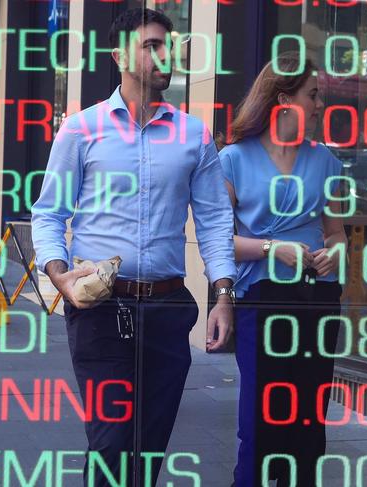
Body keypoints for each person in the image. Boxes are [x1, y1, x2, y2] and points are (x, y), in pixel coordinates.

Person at [31, 8, 236, 486]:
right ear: (119, 54)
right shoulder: (81, 129)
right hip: (100, 309)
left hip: (168, 310)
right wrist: (59, 275)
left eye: (168, 45)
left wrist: (223, 295)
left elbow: (213, 220)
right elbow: (49, 213)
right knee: (111, 443)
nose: (165, 55)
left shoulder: (193, 135)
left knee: (148, 448)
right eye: (152, 46)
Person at [218, 52, 348, 487]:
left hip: (319, 296)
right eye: (313, 95)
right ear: (282, 98)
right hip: (264, 298)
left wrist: (338, 253)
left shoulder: (325, 160)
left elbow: (336, 233)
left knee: (310, 420)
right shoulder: (233, 158)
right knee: (261, 416)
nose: (319, 105)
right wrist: (275, 248)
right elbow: (219, 241)